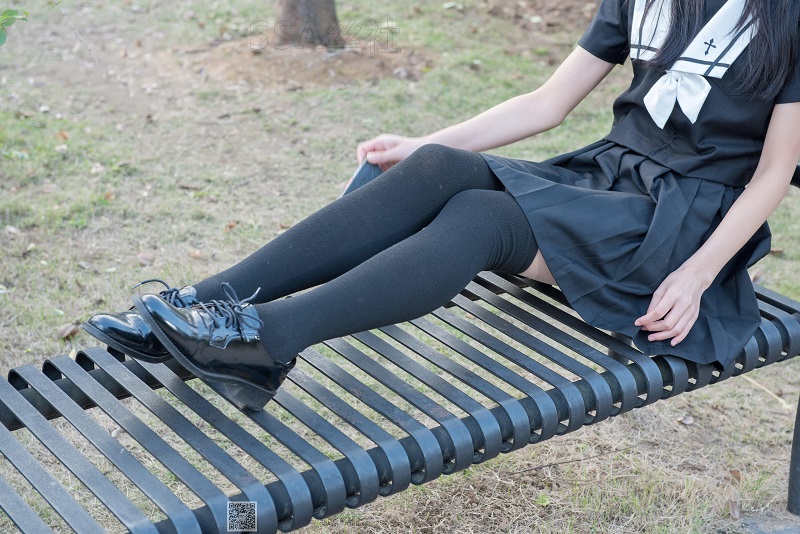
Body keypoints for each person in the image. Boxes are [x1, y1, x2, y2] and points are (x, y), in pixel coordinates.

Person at [83, 0, 800, 411]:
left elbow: (774, 173)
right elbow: (547, 102)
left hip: (681, 229)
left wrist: (698, 274)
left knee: (481, 220)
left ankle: (262, 343)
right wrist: (421, 143)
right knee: (435, 168)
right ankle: (200, 304)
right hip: (605, 181)